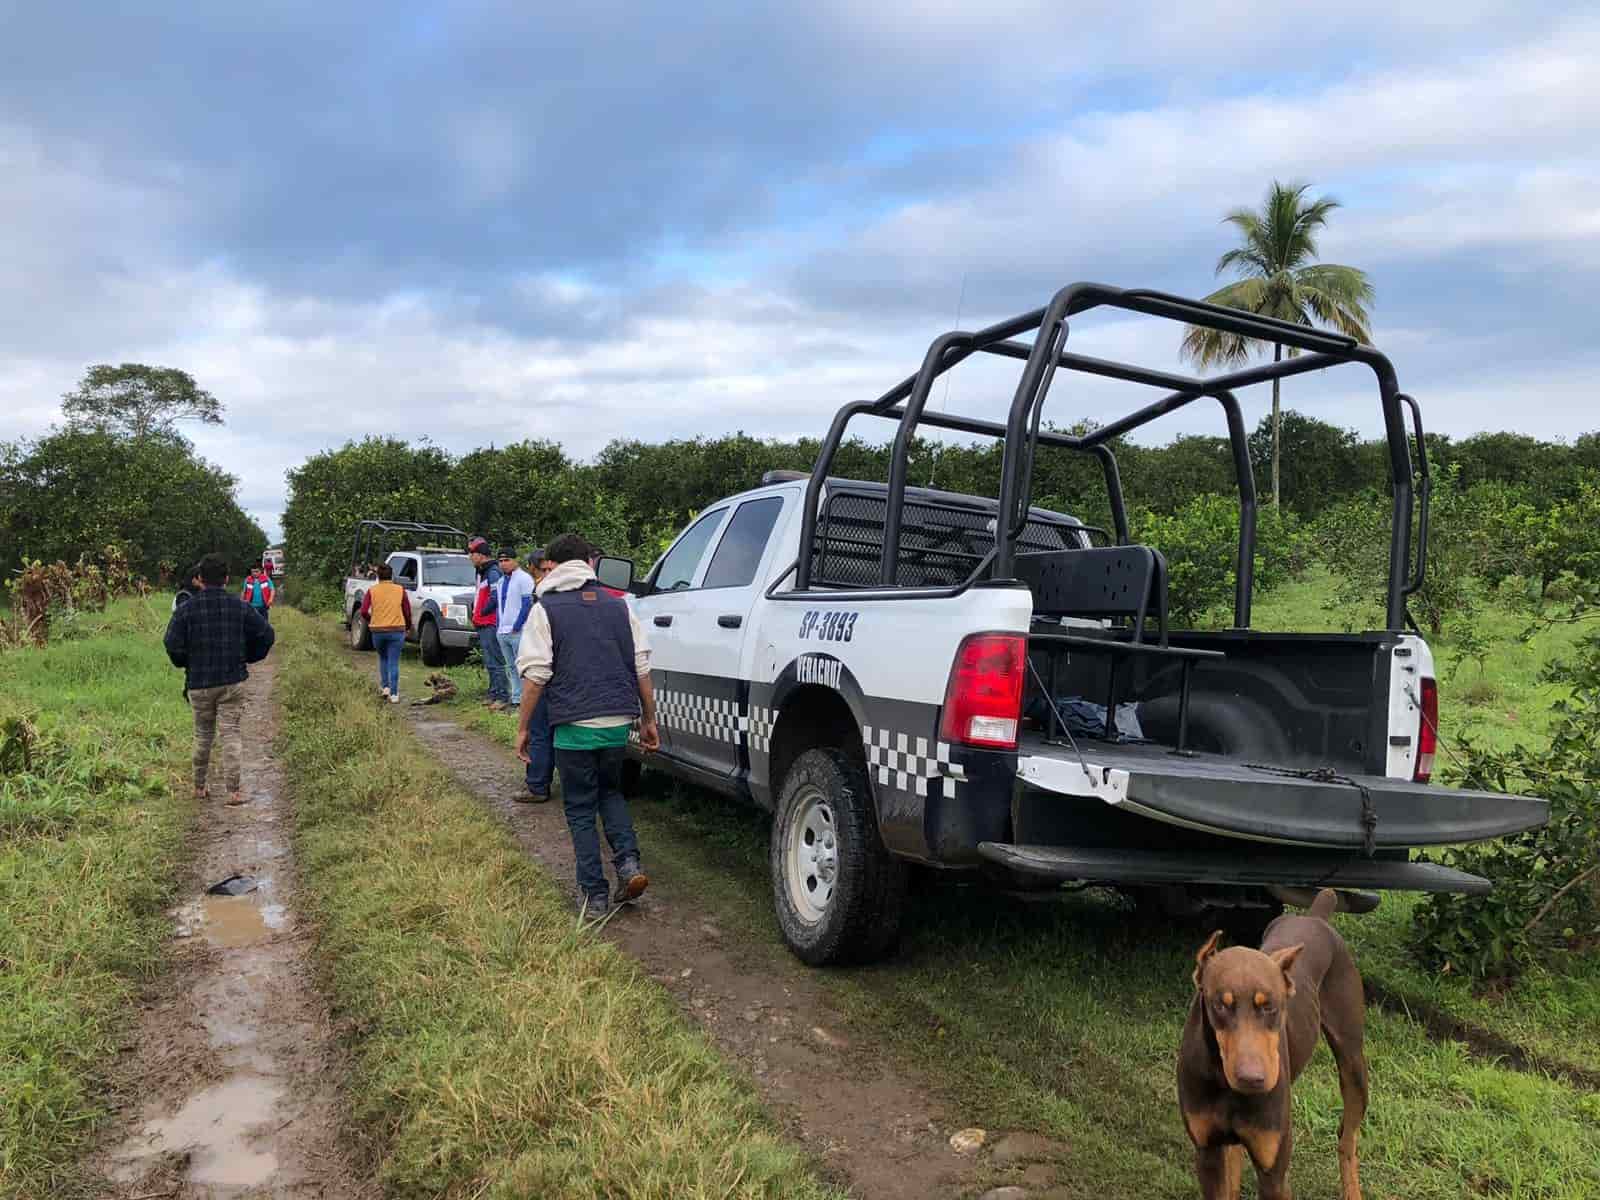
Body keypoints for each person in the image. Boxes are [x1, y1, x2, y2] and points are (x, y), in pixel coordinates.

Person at [515, 533, 659, 917]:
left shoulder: (546, 609)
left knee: (580, 807)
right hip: (616, 723)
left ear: (554, 566)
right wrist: (649, 720)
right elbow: (642, 667)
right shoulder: (620, 607)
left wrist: (523, 727)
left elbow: (536, 676)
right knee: (610, 795)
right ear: (590, 564)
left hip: (573, 725)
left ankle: (594, 894)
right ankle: (628, 865)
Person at [163, 553, 274, 805]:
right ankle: (234, 792)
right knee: (231, 734)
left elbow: (171, 643)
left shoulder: (185, 609)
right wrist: (248, 656)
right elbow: (266, 635)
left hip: (199, 683)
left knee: (202, 734)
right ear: (226, 579)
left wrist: (185, 662)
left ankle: (199, 787)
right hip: (231, 681)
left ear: (199, 579)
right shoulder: (240, 606)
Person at [520, 547, 558, 803]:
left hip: (547, 675)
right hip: (561, 675)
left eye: (550, 569)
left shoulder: (545, 600)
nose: (546, 574)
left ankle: (537, 785)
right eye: (543, 570)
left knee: (540, 731)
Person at [359, 562, 412, 702]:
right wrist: (408, 626)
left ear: (378, 576)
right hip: (397, 629)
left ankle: (385, 687)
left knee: (383, 658)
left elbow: (363, 611)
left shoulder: (372, 591)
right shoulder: (400, 589)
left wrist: (371, 620)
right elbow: (407, 611)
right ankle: (394, 694)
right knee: (393, 661)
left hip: (378, 630)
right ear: (391, 575)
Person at [468, 538, 508, 710]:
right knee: (489, 660)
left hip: (490, 622)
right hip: (482, 621)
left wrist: (483, 611)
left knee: (495, 660)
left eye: (472, 553)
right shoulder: (481, 571)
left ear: (481, 555)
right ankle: (493, 693)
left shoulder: (492, 572)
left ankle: (502, 696)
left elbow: (495, 597)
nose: (470, 557)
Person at [495, 548, 535, 709]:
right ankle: (516, 698)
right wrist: (499, 625)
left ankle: (526, 700)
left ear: (515, 561)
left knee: (522, 667)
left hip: (518, 630)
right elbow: (499, 605)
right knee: (510, 667)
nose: (503, 564)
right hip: (502, 630)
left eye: (507, 560)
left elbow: (527, 604)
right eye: (501, 561)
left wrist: (517, 626)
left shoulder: (524, 579)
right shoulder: (501, 581)